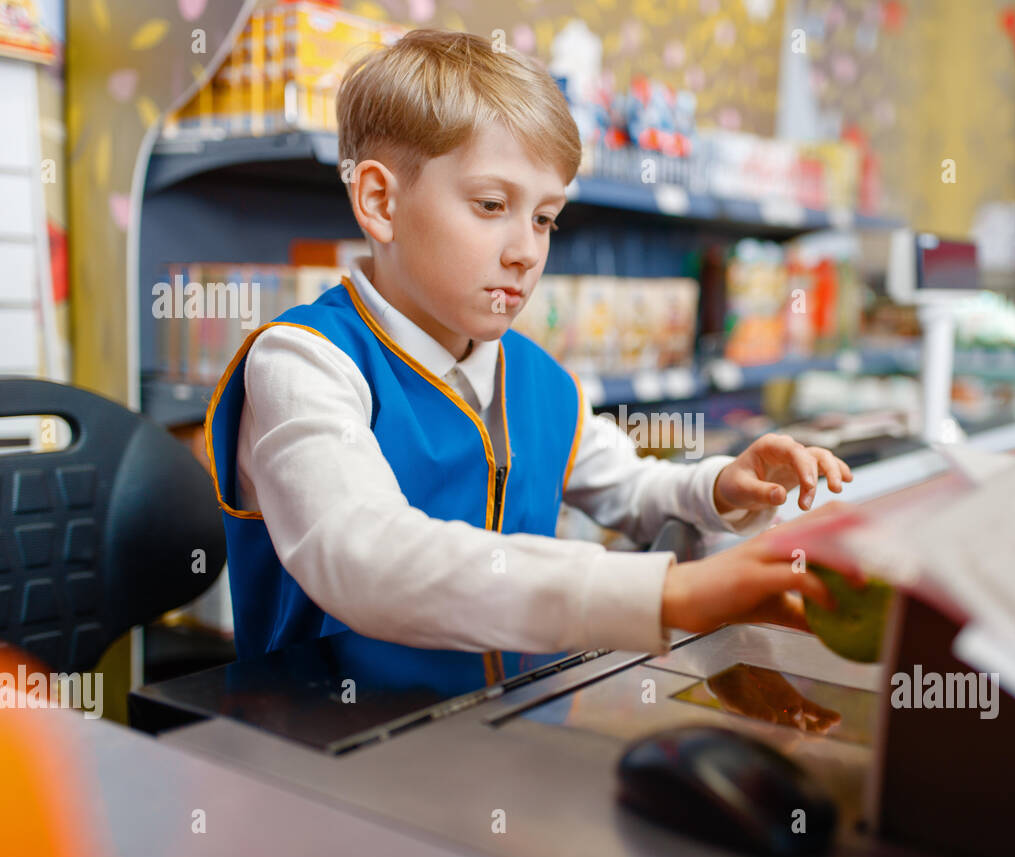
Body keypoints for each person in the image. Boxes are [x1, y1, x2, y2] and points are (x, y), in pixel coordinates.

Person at [203, 30, 852, 693]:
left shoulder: (539, 380)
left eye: (545, 219)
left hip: (505, 733)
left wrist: (718, 486)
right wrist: (660, 595)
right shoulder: (306, 363)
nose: (525, 251)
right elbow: (365, 557)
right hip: (328, 747)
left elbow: (629, 487)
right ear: (380, 201)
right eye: (491, 206)